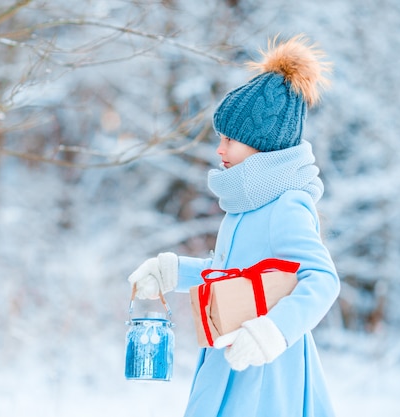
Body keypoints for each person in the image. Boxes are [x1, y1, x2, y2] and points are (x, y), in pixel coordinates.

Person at [127, 34, 340, 417]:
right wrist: (172, 271)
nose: (220, 149)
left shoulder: (286, 205)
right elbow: (236, 275)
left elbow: (322, 279)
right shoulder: (244, 206)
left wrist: (271, 333)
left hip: (266, 370)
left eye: (230, 140)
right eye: (220, 138)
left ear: (262, 144)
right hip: (229, 356)